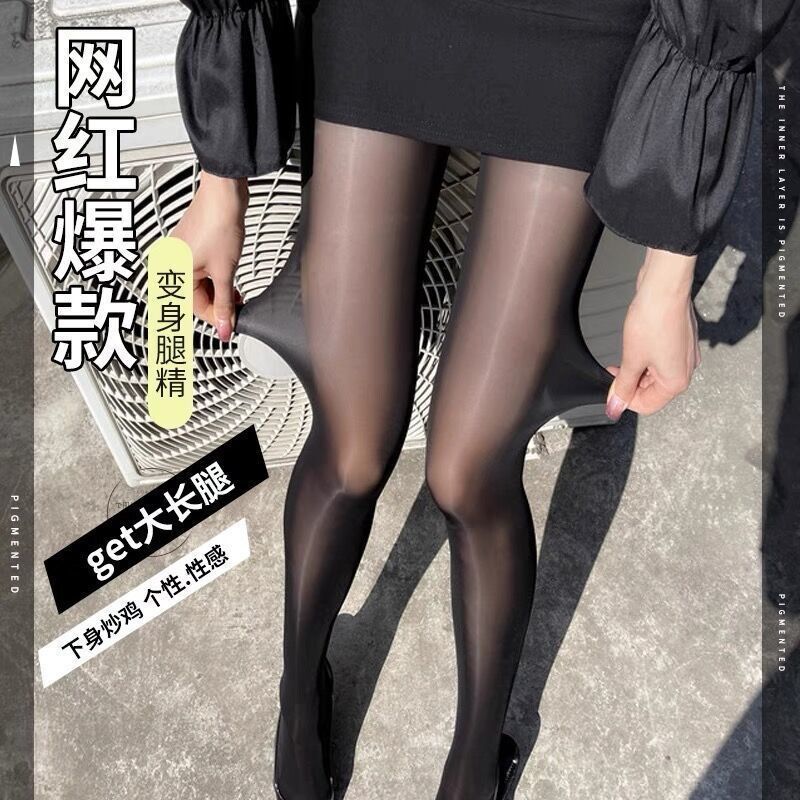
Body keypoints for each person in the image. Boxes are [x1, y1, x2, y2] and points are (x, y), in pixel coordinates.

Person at [171, 1, 791, 798]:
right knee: (374, 448)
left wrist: (670, 270)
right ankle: (329, 718)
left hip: (572, 29)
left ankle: (422, 754)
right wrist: (220, 180)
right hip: (397, 21)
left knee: (457, 466)